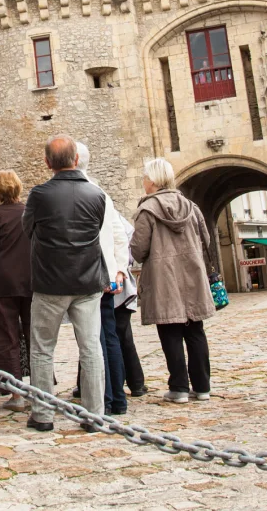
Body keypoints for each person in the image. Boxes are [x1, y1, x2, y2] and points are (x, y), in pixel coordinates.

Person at [22, 134, 109, 433]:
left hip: (49, 282)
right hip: (87, 279)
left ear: (47, 163)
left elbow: (27, 230)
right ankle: (95, 414)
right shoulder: (97, 195)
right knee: (90, 347)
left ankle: (43, 414)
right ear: (75, 160)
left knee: (43, 349)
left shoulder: (39, 195)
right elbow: (96, 229)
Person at [131, 158, 214, 404]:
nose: (144, 182)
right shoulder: (191, 207)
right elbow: (206, 240)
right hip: (192, 278)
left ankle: (178, 387)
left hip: (163, 279)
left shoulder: (147, 210)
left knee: (170, 332)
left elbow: (138, 250)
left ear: (154, 180)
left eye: (145, 177)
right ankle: (202, 387)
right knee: (196, 331)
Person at [76, 143, 129, 416]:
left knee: (95, 339)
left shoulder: (83, 193)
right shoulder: (102, 193)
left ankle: (106, 399)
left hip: (90, 275)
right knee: (109, 336)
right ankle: (117, 399)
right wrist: (119, 269)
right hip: (106, 272)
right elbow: (119, 234)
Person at [0, 170, 31, 412]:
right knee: (36, 336)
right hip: (31, 281)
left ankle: (16, 393)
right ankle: (41, 389)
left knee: (8, 337)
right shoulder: (29, 213)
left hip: (3, 283)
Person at [113, 215, 148, 398]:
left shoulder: (111, 217)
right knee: (123, 336)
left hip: (114, 283)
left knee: (97, 337)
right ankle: (136, 383)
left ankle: (134, 382)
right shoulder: (117, 218)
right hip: (120, 283)